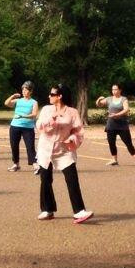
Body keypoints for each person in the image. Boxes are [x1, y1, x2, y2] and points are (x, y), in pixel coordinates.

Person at [35, 84, 93, 223]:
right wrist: (51, 119)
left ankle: (79, 211)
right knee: (46, 180)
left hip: (63, 150)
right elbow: (39, 126)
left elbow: (78, 131)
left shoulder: (72, 112)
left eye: (52, 94)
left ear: (59, 96)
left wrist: (72, 139)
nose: (49, 96)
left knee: (72, 179)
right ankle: (47, 210)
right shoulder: (46, 110)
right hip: (45, 150)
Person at [95, 84, 135, 167]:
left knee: (128, 143)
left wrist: (117, 115)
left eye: (116, 89)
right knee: (111, 143)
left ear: (120, 90)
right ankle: (114, 160)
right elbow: (99, 104)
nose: (114, 91)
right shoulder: (109, 99)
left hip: (122, 125)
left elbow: (126, 109)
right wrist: (99, 99)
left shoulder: (123, 99)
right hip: (111, 125)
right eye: (113, 89)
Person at [4, 81, 38, 172]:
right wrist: (12, 96)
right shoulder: (18, 100)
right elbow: (6, 103)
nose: (23, 91)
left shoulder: (34, 102)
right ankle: (16, 164)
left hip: (28, 128)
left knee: (30, 147)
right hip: (15, 126)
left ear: (30, 91)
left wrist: (23, 116)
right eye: (23, 89)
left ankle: (35, 165)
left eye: (26, 89)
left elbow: (34, 114)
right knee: (14, 146)